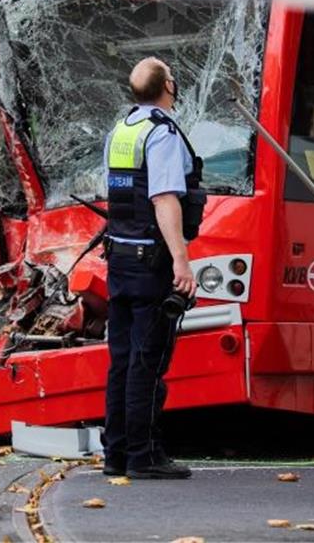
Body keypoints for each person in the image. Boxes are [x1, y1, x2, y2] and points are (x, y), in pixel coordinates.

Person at [102, 57, 206, 480]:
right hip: (151, 262)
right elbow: (164, 199)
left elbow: (119, 195)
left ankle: (116, 454)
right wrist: (181, 260)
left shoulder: (122, 129)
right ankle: (143, 455)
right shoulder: (162, 134)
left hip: (120, 259)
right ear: (169, 85)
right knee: (148, 361)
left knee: (121, 361)